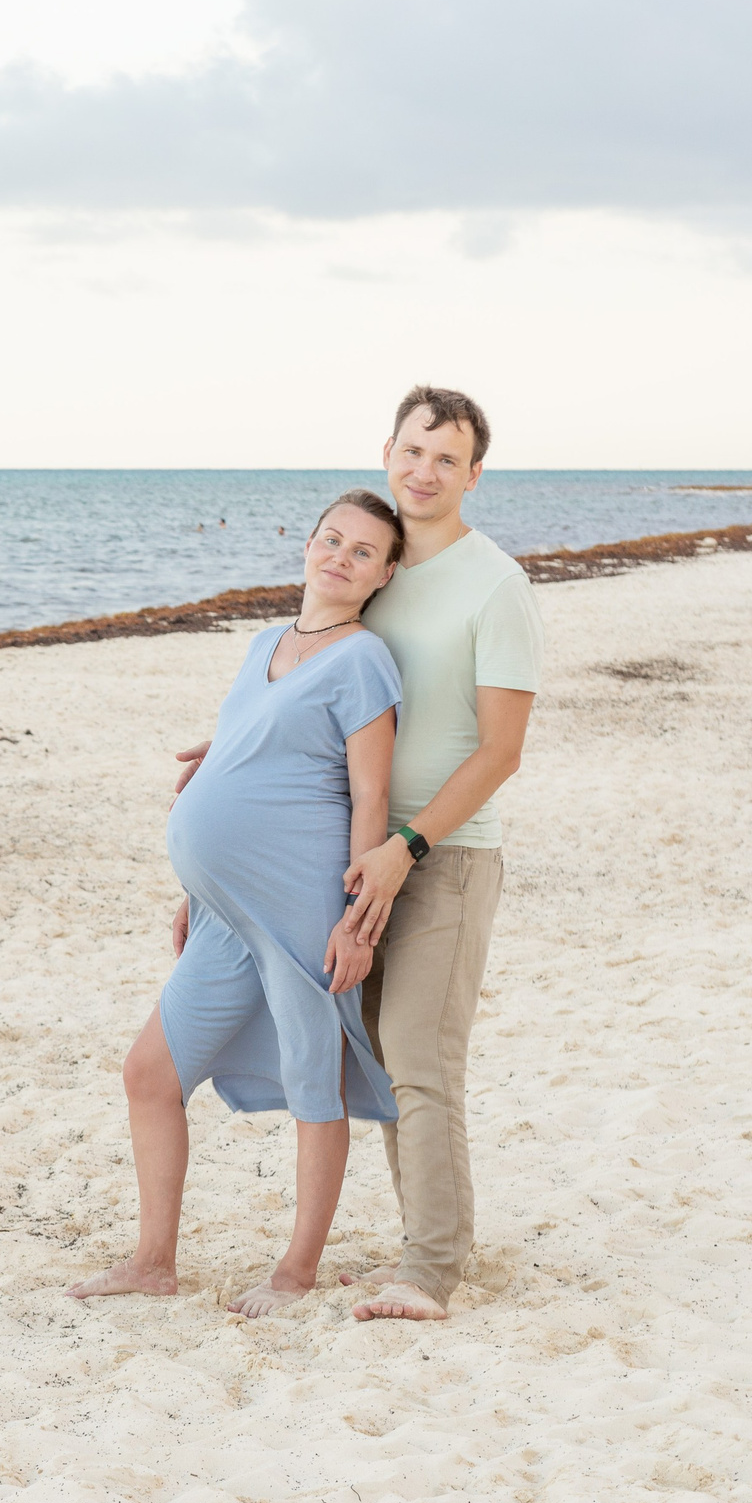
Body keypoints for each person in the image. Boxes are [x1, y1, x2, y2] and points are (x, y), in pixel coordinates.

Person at [176, 386, 540, 1324]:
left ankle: (429, 1270)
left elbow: (501, 749)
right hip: (346, 851)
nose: (426, 471)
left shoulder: (496, 585)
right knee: (375, 1053)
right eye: (414, 451)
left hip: (443, 853)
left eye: (447, 459)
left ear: (474, 475)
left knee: (421, 1057)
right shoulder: (380, 567)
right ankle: (418, 1248)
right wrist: (238, 746)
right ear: (389, 454)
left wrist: (408, 845)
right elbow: (323, 685)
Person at [68, 492, 405, 1316]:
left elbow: (370, 795)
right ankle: (152, 1262)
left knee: (312, 1081)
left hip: (299, 904)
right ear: (307, 545)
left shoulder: (364, 660)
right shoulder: (265, 643)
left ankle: (296, 1270)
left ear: (386, 573)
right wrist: (197, 890)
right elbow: (247, 755)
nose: (341, 558)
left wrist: (359, 920)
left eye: (364, 552)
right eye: (332, 540)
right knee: (149, 1072)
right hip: (224, 910)